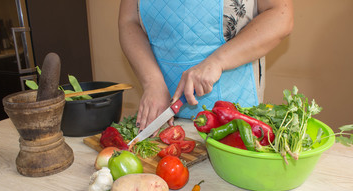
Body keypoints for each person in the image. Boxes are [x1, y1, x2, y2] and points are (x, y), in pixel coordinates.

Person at [118, 0, 294, 132]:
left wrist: (217, 61)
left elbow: (281, 15)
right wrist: (152, 82)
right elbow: (129, 21)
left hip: (234, 116)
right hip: (160, 118)